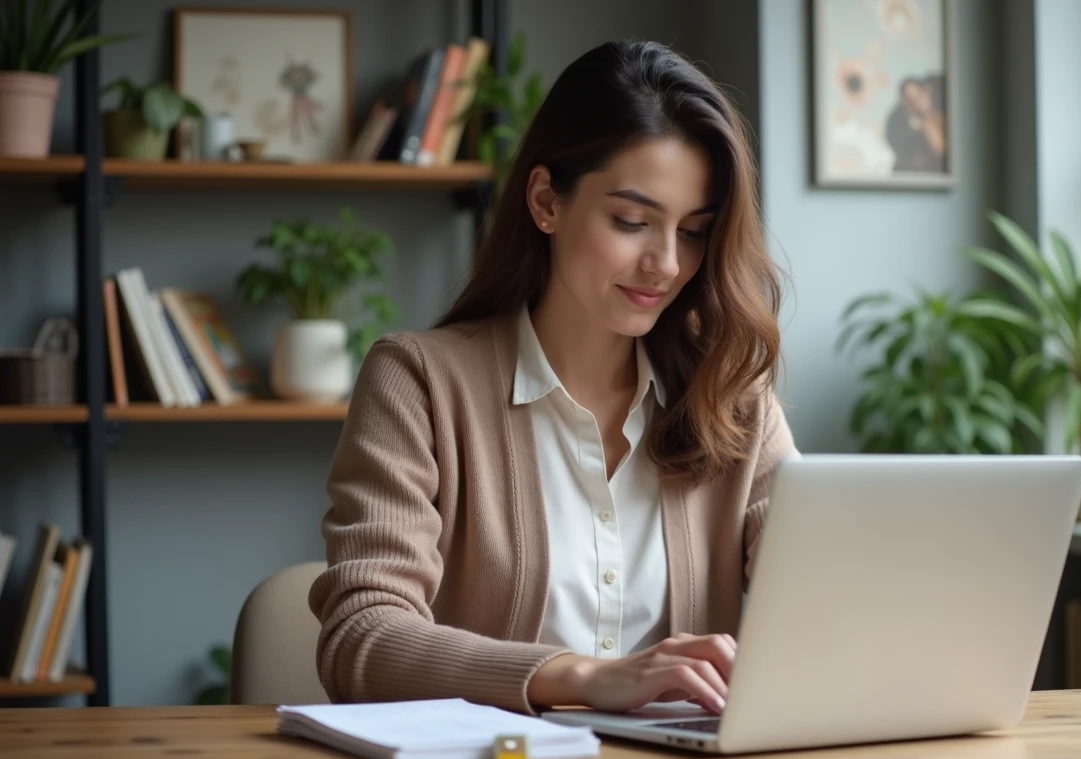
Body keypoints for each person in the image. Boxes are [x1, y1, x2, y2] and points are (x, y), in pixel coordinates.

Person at [308, 39, 798, 717]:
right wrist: (586, 677)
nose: (665, 262)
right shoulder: (419, 381)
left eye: (693, 232)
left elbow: (823, 596)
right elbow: (361, 640)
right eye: (632, 221)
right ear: (546, 201)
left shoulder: (733, 397)